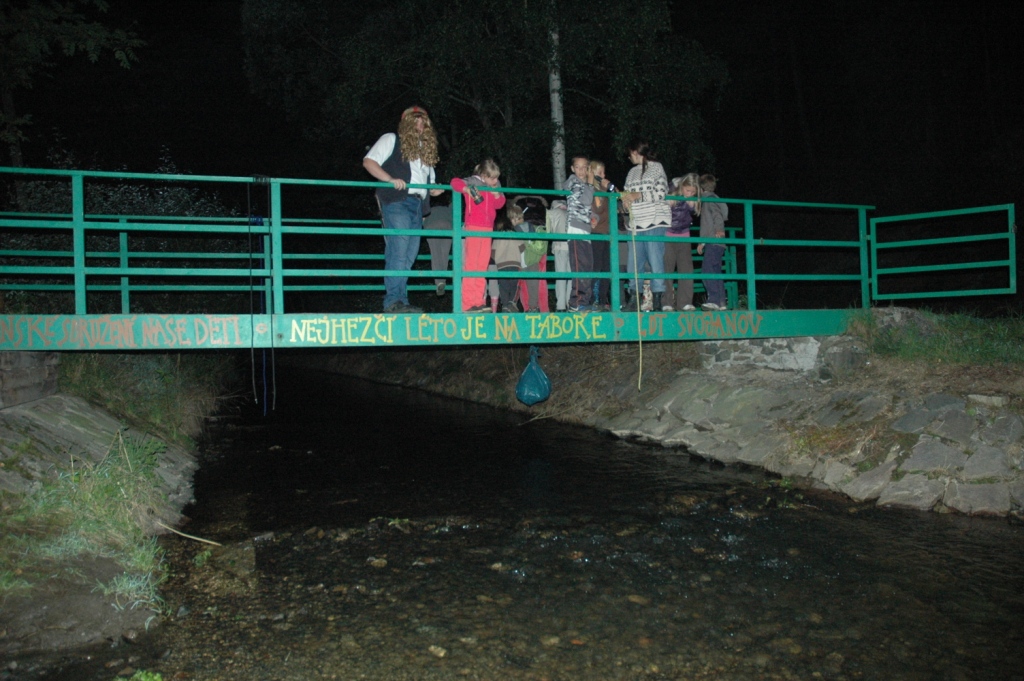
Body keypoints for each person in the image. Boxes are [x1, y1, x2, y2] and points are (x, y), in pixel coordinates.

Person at [362, 105, 444, 313]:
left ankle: (401, 301)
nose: (420, 125)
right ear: (406, 123)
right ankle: (393, 301)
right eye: (416, 120)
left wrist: (435, 190)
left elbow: (430, 185)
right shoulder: (392, 139)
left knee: (409, 255)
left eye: (423, 121)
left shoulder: (426, 152)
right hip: (397, 201)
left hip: (417, 206)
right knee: (398, 251)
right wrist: (389, 179)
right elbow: (369, 162)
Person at [620, 141, 670, 311]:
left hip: (654, 221)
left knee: (655, 261)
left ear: (636, 151)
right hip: (635, 223)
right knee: (633, 263)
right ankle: (634, 298)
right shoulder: (631, 172)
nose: (629, 157)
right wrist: (625, 201)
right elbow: (627, 193)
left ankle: (657, 300)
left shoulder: (657, 167)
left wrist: (638, 195)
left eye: (630, 154)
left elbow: (661, 193)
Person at [451, 159, 505, 313]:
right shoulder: (473, 181)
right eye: (492, 178)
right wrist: (466, 189)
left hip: (488, 228)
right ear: (483, 175)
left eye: (497, 177)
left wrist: (496, 194)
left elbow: (500, 204)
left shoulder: (495, 185)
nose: (495, 181)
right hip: (473, 227)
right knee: (471, 265)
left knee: (482, 266)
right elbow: (454, 182)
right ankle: (468, 303)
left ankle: (479, 301)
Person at [662, 174, 700, 312]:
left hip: (684, 235)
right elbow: (660, 203)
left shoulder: (693, 198)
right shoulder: (671, 190)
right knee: (667, 268)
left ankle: (685, 303)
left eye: (693, 192)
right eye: (687, 190)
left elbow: (696, 212)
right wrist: (669, 202)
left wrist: (692, 205)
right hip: (668, 234)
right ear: (682, 186)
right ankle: (666, 302)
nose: (689, 194)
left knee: (686, 269)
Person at [564, 156, 596, 311]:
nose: (581, 170)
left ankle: (584, 300)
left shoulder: (584, 184)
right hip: (576, 228)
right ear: (572, 169)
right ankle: (576, 302)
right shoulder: (574, 182)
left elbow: (587, 207)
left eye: (584, 167)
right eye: (578, 167)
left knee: (587, 265)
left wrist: (594, 218)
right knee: (579, 265)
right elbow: (586, 200)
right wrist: (590, 183)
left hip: (585, 228)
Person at [697, 173, 729, 311]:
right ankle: (721, 302)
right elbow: (710, 224)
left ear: (701, 189)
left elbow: (717, 215)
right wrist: (702, 242)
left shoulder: (709, 200)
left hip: (714, 241)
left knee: (707, 269)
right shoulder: (714, 198)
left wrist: (719, 229)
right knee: (716, 270)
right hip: (715, 241)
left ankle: (714, 300)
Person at [513, 195, 551, 313]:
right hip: (537, 236)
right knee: (538, 281)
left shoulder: (520, 202)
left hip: (528, 238)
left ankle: (529, 308)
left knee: (525, 283)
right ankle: (540, 309)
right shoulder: (540, 203)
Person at [587, 159, 615, 311]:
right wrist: (602, 190)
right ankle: (591, 299)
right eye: (600, 173)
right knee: (596, 267)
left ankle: (603, 300)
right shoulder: (592, 190)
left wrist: (609, 188)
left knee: (607, 268)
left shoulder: (605, 190)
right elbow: (597, 209)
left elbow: (618, 196)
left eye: (604, 172)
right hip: (596, 233)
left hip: (608, 234)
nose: (603, 176)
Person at [494, 206, 526, 312]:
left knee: (503, 286)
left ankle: (504, 305)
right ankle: (511, 304)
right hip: (514, 263)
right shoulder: (516, 234)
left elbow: (493, 251)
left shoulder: (498, 234)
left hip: (501, 265)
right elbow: (522, 248)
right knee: (514, 286)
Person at [424, 202, 453, 297]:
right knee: (444, 255)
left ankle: (439, 281)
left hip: (431, 224)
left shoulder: (427, 202)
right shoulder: (448, 206)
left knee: (435, 254)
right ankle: (442, 279)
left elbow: (422, 218)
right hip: (447, 224)